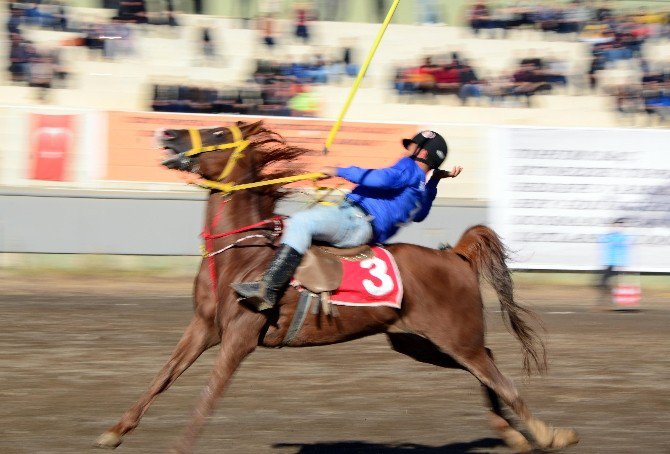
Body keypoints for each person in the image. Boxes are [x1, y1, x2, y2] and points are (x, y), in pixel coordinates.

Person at [233, 131, 463, 311]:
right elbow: (421, 215)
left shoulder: (408, 168)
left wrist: (337, 170)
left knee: (300, 222)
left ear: (422, 153)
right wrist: (436, 181)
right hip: (365, 230)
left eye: (411, 145)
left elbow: (381, 179)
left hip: (354, 220)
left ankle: (268, 289)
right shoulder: (421, 187)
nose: (406, 150)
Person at [596, 218, 631, 307]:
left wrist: (621, 264)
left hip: (615, 264)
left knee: (604, 282)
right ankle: (609, 300)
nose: (616, 227)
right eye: (615, 225)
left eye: (619, 225)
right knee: (603, 283)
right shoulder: (610, 236)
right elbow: (602, 240)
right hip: (609, 264)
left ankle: (608, 300)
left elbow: (623, 251)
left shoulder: (623, 238)